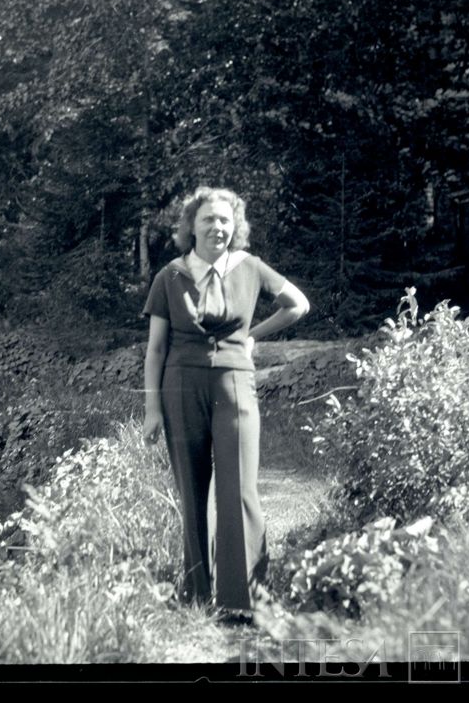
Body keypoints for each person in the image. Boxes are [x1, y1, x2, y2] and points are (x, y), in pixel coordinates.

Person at [141, 186, 310, 623]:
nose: (217, 227)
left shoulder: (249, 267)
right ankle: (197, 596)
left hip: (236, 383)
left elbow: (298, 304)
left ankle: (244, 600)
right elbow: (155, 350)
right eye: (207, 220)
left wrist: (254, 335)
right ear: (190, 227)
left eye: (224, 220)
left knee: (239, 490)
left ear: (235, 227)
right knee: (192, 492)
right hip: (180, 386)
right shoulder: (170, 275)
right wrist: (152, 409)